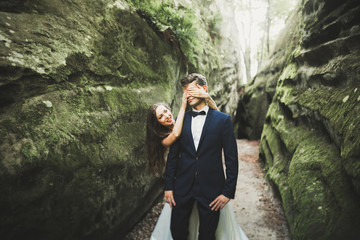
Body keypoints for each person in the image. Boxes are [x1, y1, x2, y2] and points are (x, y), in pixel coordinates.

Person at [150, 73, 248, 240]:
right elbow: (173, 157)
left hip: (212, 188)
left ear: (203, 90)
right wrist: (168, 187)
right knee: (178, 231)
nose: (187, 95)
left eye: (191, 91)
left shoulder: (223, 120)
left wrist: (228, 191)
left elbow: (231, 157)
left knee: (208, 235)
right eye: (184, 92)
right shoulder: (179, 121)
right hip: (182, 187)